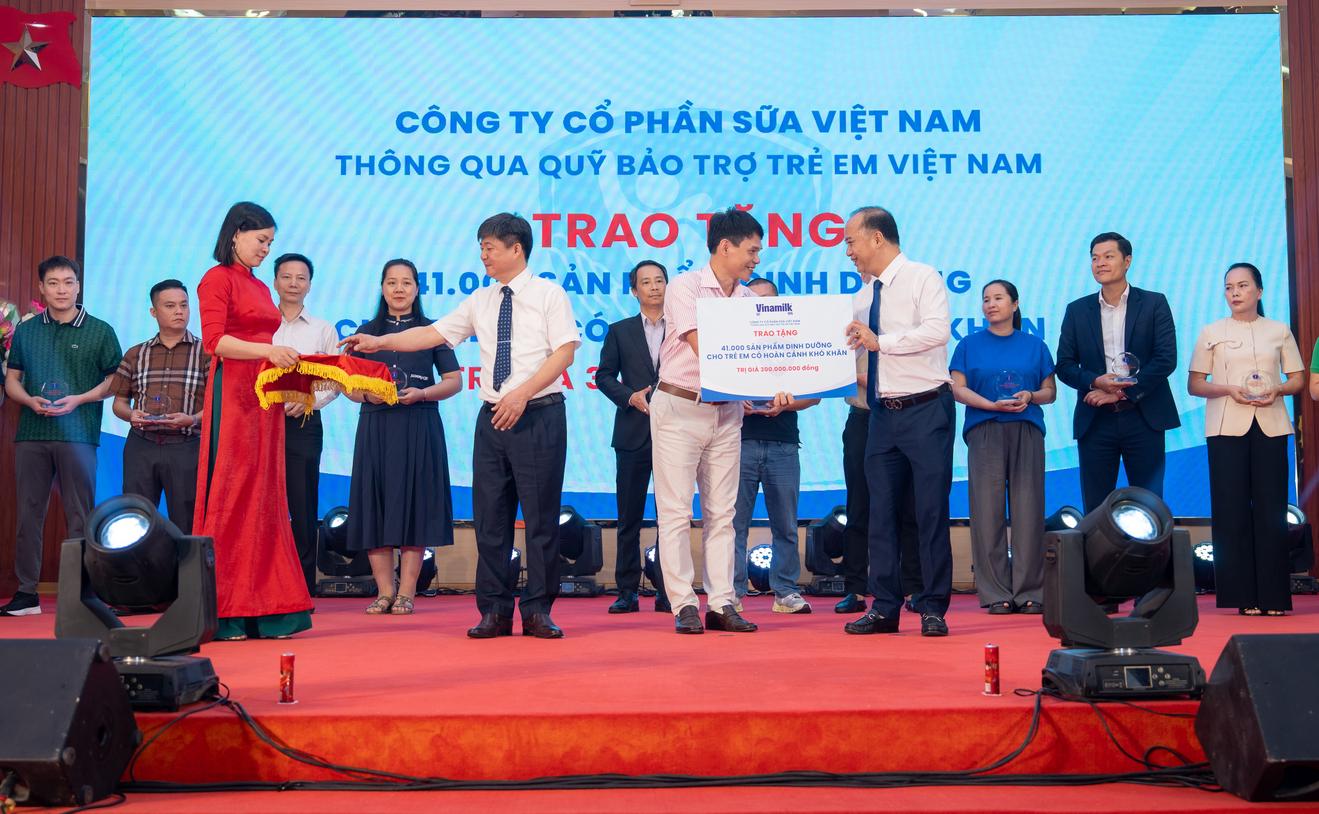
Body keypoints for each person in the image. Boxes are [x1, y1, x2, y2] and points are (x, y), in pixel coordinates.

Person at [341, 213, 579, 639]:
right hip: (492, 418)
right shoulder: (480, 299)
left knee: (541, 519)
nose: (483, 255)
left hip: (538, 413)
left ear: (516, 249)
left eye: (489, 247)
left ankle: (538, 611)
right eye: (481, 247)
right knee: (490, 520)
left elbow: (565, 352)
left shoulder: (549, 293)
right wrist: (380, 342)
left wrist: (521, 394)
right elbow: (431, 334)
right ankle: (494, 611)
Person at [649, 207, 791, 635]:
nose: (756, 260)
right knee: (676, 512)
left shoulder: (749, 301)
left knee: (723, 514)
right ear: (725, 247)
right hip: (680, 407)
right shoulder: (685, 287)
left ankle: (722, 603)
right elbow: (704, 347)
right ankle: (682, 604)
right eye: (752, 250)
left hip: (727, 414)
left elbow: (762, 356)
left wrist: (781, 386)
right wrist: (756, 379)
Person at [194, 202, 312, 641]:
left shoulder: (260, 286)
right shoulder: (216, 279)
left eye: (270, 242)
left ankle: (268, 608)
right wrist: (268, 351)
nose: (266, 249)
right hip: (234, 395)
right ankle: (227, 610)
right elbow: (215, 342)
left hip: (265, 397)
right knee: (233, 492)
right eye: (261, 240)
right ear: (236, 234)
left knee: (265, 495)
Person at [841, 206, 954, 638]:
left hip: (926, 409)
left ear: (877, 238)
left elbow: (937, 331)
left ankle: (932, 606)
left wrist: (881, 342)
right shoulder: (863, 295)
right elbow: (848, 346)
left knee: (929, 511)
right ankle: (885, 607)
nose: (848, 251)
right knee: (880, 514)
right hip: (881, 417)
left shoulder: (923, 277)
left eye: (851, 241)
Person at [0, 256, 121, 617]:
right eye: (53, 283)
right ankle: (26, 594)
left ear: (78, 286)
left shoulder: (100, 330)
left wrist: (79, 399)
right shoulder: (27, 331)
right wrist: (29, 401)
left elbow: (115, 381)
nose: (62, 290)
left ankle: (79, 592)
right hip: (32, 434)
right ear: (42, 288)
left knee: (79, 514)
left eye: (68, 282)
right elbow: (12, 381)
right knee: (28, 515)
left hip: (79, 434)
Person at [344, 259, 461, 615]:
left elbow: (454, 381)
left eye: (406, 282)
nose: (399, 289)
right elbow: (347, 384)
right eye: (392, 282)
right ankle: (384, 592)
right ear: (382, 288)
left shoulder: (432, 331)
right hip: (376, 425)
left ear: (417, 289)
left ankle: (407, 593)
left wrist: (423, 394)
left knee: (416, 507)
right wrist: (368, 396)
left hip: (419, 423)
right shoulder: (366, 333)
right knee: (375, 505)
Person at [1189, 263, 1304, 617]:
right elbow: (1195, 384)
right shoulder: (1211, 332)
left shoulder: (1278, 330)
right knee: (1231, 509)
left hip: (1271, 423)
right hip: (1225, 426)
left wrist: (1277, 389)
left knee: (1271, 509)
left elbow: (1297, 378)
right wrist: (1229, 390)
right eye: (1229, 287)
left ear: (1260, 291)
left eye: (1242, 286)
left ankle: (1274, 596)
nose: (1235, 293)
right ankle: (1243, 596)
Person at [949, 280, 1056, 614]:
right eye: (986, 299)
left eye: (998, 298)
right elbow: (957, 389)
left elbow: (1050, 392)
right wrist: (989, 405)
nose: (991, 304)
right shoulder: (968, 344)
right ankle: (996, 593)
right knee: (987, 510)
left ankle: (1030, 591)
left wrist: (1031, 396)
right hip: (985, 429)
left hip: (1026, 428)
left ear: (1015, 304)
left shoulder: (1035, 345)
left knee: (1029, 509)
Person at [1055, 233, 1179, 513]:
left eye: (1108, 256)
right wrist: (1094, 381)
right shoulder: (1077, 310)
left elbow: (1166, 359)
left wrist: (1122, 392)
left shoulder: (1154, 303)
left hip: (1143, 415)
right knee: (1096, 508)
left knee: (1149, 504)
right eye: (1094, 258)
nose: (1100, 263)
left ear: (1127, 261)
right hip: (1095, 418)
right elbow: (1064, 365)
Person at [732, 277, 819, 613]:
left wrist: (786, 404)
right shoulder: (731, 341)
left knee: (785, 523)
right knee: (734, 524)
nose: (760, 306)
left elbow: (814, 395)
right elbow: (710, 388)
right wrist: (733, 401)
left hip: (783, 443)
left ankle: (785, 591)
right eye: (752, 300)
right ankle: (732, 592)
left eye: (767, 300)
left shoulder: (794, 343)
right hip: (738, 442)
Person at [595, 260, 669, 614]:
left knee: (671, 517)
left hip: (675, 433)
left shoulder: (685, 329)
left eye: (659, 280)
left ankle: (669, 590)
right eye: (646, 282)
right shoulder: (619, 331)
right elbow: (604, 376)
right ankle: (627, 591)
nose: (654, 287)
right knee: (629, 517)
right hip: (632, 432)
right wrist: (629, 397)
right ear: (634, 290)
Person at [110, 279, 209, 534]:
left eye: (184, 305)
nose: (179, 311)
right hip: (141, 445)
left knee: (188, 524)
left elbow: (217, 405)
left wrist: (193, 419)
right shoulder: (135, 354)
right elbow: (119, 403)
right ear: (154, 312)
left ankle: (186, 563)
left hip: (187, 446)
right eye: (170, 306)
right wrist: (131, 414)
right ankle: (139, 562)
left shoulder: (207, 353)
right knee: (134, 520)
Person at [270, 253, 340, 593]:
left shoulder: (323, 329)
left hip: (304, 424)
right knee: (263, 502)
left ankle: (301, 585)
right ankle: (266, 580)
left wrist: (310, 399)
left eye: (301, 278)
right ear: (275, 282)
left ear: (310, 285)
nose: (293, 283)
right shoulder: (259, 327)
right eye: (287, 276)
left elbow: (336, 379)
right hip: (261, 423)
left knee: (302, 502)